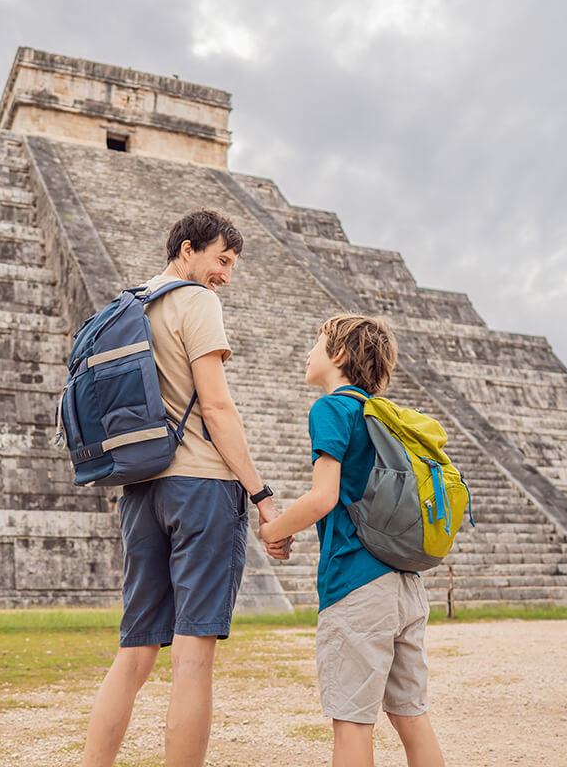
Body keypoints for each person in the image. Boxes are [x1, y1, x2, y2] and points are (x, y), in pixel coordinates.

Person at [80, 208, 287, 767]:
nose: (226, 274)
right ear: (188, 248)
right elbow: (217, 407)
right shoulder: (197, 303)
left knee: (135, 652)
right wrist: (263, 495)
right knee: (193, 657)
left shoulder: (130, 306)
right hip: (201, 487)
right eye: (221, 260)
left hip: (140, 489)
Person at [260, 315, 445, 767]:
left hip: (357, 588)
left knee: (352, 725)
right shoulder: (384, 415)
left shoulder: (332, 408)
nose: (308, 352)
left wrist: (272, 530)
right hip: (405, 585)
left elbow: (323, 497)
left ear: (338, 354)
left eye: (316, 342)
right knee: (412, 719)